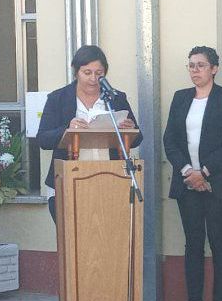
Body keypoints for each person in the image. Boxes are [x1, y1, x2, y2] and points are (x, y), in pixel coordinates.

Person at [163, 46, 222, 301]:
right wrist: (188, 172)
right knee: (193, 242)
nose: (195, 70)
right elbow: (170, 140)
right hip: (187, 183)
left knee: (218, 240)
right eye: (191, 65)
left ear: (214, 69)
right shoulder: (181, 98)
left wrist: (204, 172)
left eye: (200, 65)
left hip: (218, 182)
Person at [36, 45, 142, 223]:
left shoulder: (116, 98)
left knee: (109, 238)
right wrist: (66, 129)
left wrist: (130, 128)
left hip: (110, 179)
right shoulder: (58, 98)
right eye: (87, 72)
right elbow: (43, 139)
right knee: (72, 241)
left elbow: (138, 139)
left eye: (99, 73)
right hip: (69, 181)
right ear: (76, 72)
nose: (93, 79)